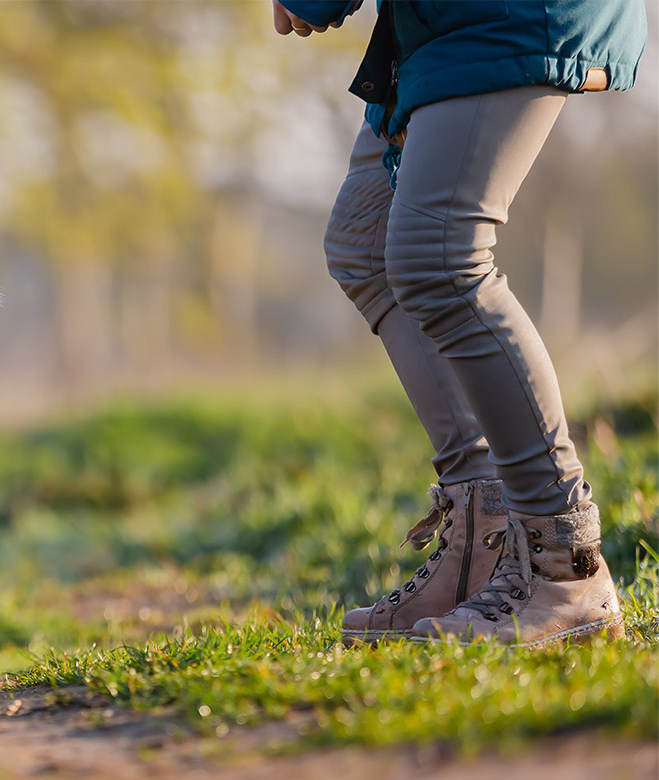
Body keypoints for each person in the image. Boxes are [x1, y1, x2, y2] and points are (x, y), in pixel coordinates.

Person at [272, 0, 647, 645]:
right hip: (442, 24)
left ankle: (566, 567)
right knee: (368, 244)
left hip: (509, 14)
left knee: (440, 257)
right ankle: (484, 541)